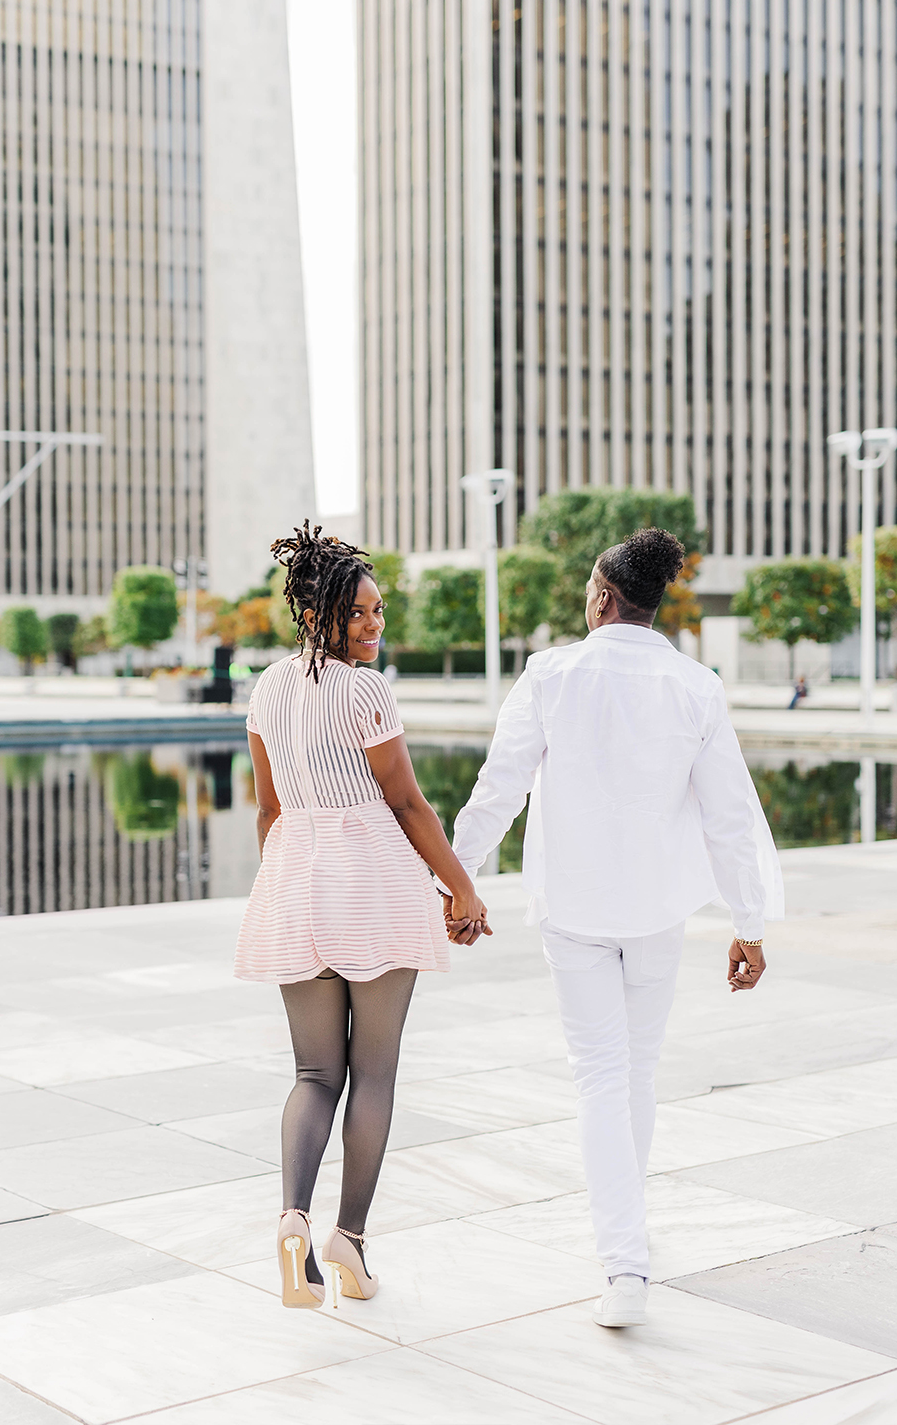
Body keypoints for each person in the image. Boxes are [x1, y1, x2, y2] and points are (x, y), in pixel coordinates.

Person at [446, 526, 783, 1329]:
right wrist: (750, 923)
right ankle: (626, 1241)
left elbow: (500, 789)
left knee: (603, 1075)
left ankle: (624, 1263)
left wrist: (458, 882)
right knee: (635, 1070)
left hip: (575, 910)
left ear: (601, 596)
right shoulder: (695, 685)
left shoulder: (549, 674)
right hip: (658, 910)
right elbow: (732, 816)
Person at [237, 522, 490, 1310]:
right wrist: (463, 890)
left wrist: (284, 884)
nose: (375, 625)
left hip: (295, 876)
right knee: (372, 1072)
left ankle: (291, 1220)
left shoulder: (267, 687)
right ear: (321, 616)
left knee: (315, 1073)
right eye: (360, 615)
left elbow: (268, 809)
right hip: (372, 880)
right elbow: (406, 802)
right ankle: (348, 1238)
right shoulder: (365, 690)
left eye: (379, 611)